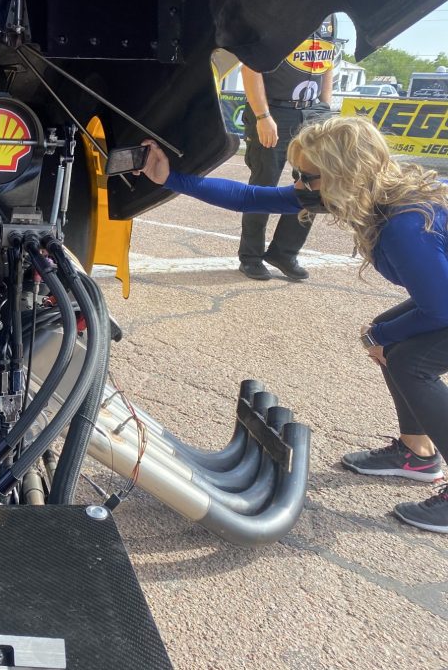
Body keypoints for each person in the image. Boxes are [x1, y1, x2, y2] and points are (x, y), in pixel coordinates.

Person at [132, 116, 448, 533]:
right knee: (391, 341)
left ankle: (424, 455)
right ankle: (417, 453)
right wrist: (173, 179)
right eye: (296, 173)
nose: (298, 184)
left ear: (344, 174)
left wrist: (382, 337)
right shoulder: (365, 196)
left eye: (307, 176)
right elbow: (250, 196)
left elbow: (441, 309)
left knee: (408, 359)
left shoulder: (404, 226)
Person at [237, 16, 336, 281]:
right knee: (263, 185)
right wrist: (261, 116)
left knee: (315, 186)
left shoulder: (331, 15)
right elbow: (251, 66)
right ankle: (251, 257)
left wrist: (324, 107)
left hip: (312, 111)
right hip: (274, 111)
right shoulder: (280, 6)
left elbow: (328, 63)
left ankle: (285, 252)